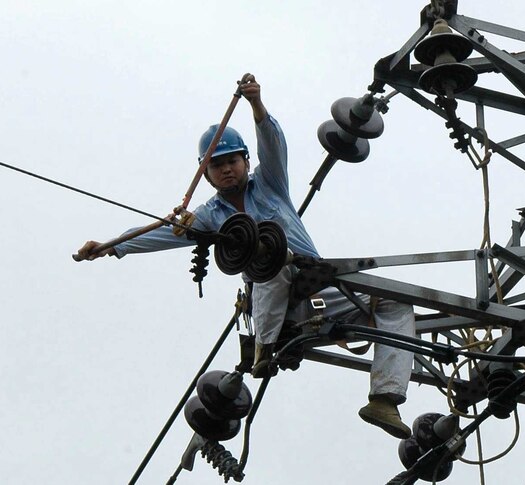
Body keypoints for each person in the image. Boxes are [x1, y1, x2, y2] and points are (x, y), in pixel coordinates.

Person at [75, 73, 415, 439]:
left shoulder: (269, 185)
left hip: (314, 291)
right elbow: (161, 232)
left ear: (245, 161)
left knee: (395, 303)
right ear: (206, 175)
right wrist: (112, 246)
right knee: (268, 257)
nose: (225, 169)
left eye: (231, 160)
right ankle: (265, 347)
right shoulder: (209, 217)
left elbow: (273, 144)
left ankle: (385, 399)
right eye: (216, 165)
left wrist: (255, 104)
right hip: (271, 303)